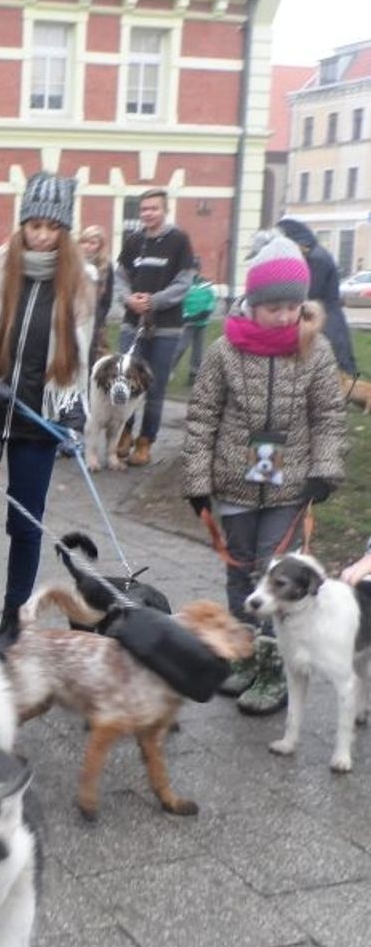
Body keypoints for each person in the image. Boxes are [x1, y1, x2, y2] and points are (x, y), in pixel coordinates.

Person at [182, 232, 346, 716]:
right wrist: (197, 481)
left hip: (289, 486)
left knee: (274, 573)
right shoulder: (224, 351)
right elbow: (203, 416)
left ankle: (276, 668)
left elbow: (328, 416)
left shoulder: (315, 350)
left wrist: (324, 469)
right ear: (252, 303)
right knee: (239, 573)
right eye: (273, 307)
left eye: (293, 306)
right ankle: (245, 653)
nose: (284, 316)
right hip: (234, 483)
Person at [0, 173, 95, 648]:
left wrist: (72, 414)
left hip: (39, 416)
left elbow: (80, 355)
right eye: (34, 225)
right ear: (22, 224)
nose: (41, 235)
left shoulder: (81, 282)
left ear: (64, 229)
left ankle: (13, 622)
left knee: (26, 524)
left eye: (51, 227)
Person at [114, 189, 195, 466]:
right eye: (144, 209)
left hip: (166, 327)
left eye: (154, 208)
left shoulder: (179, 240)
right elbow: (120, 277)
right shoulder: (133, 241)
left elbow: (184, 282)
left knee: (155, 387)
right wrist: (128, 299)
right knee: (125, 380)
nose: (148, 213)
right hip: (132, 323)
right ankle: (124, 432)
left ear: (165, 210)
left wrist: (154, 301)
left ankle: (145, 441)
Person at [276, 216, 357, 376]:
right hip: (324, 316)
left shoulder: (315, 259)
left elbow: (308, 292)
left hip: (324, 320)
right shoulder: (315, 254)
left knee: (333, 371)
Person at [175, 260, 217, 388]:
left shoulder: (205, 285)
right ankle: (167, 369)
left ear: (198, 270)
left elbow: (211, 299)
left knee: (198, 349)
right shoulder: (184, 285)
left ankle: (194, 374)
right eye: (190, 269)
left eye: (195, 269)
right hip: (189, 321)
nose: (193, 272)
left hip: (202, 322)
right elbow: (180, 302)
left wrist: (207, 310)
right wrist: (186, 316)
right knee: (181, 347)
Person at [77, 225, 114, 365]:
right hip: (74, 317)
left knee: (92, 359)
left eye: (92, 243)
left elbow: (107, 300)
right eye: (84, 242)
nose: (87, 246)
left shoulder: (106, 267)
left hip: (95, 320)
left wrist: (98, 320)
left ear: (100, 246)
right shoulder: (73, 263)